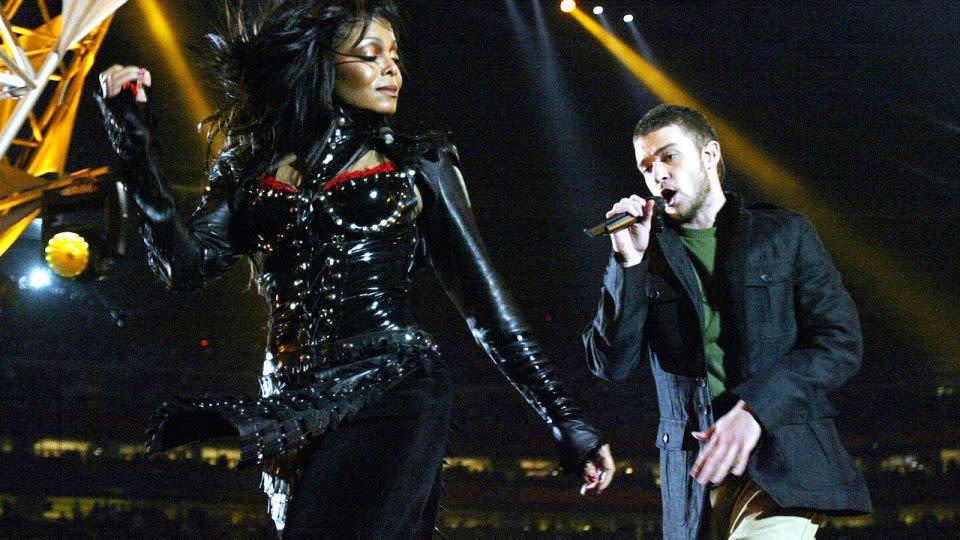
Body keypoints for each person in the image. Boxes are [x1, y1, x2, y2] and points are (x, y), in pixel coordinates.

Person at [95, 1, 614, 537]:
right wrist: (134, 145)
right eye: (371, 56)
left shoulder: (420, 166)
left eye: (394, 56)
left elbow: (489, 307)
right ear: (321, 66)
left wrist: (564, 418)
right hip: (291, 401)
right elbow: (182, 267)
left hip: (392, 387)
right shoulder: (250, 169)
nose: (393, 69)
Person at [582, 104, 870, 539]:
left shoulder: (783, 234)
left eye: (669, 156)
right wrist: (628, 262)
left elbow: (839, 341)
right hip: (695, 480)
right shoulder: (646, 256)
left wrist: (757, 408)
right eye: (646, 166)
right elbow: (611, 364)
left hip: (781, 463)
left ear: (711, 154)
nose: (657, 174)